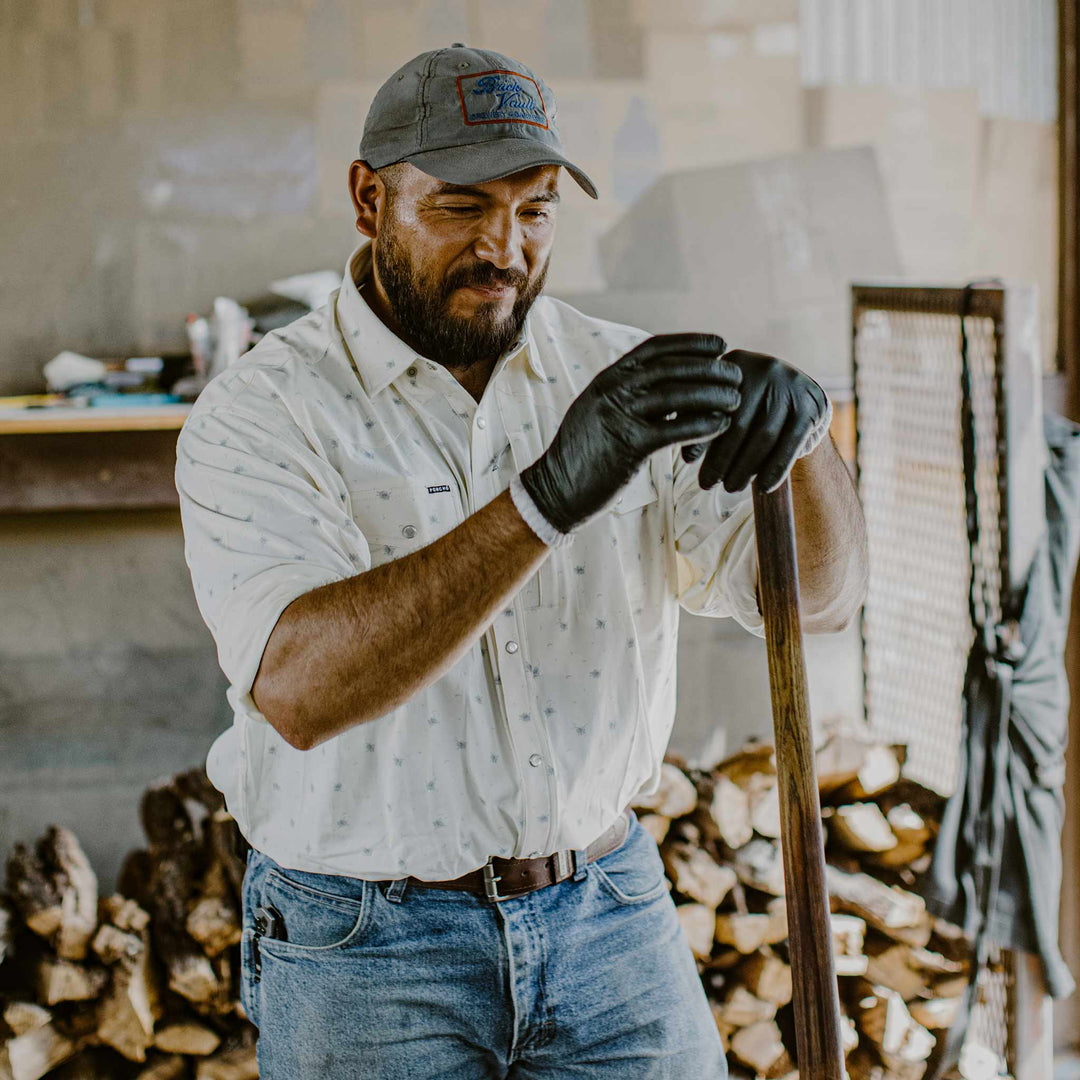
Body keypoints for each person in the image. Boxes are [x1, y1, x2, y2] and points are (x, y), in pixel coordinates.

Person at [175, 43, 868, 1080]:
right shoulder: (263, 412)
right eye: (460, 206)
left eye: (535, 209)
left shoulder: (621, 376)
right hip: (369, 949)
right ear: (370, 200)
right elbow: (303, 689)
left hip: (609, 914)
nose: (504, 245)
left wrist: (806, 449)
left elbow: (822, 597)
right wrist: (548, 496)